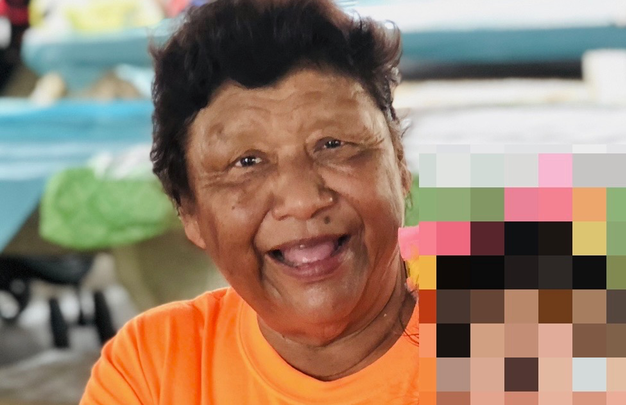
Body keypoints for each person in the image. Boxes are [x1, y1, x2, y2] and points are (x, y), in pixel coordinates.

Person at [80, 0, 419, 403]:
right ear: (189, 210)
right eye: (247, 162)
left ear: (398, 162)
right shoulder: (152, 372)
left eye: (333, 144)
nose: (302, 201)